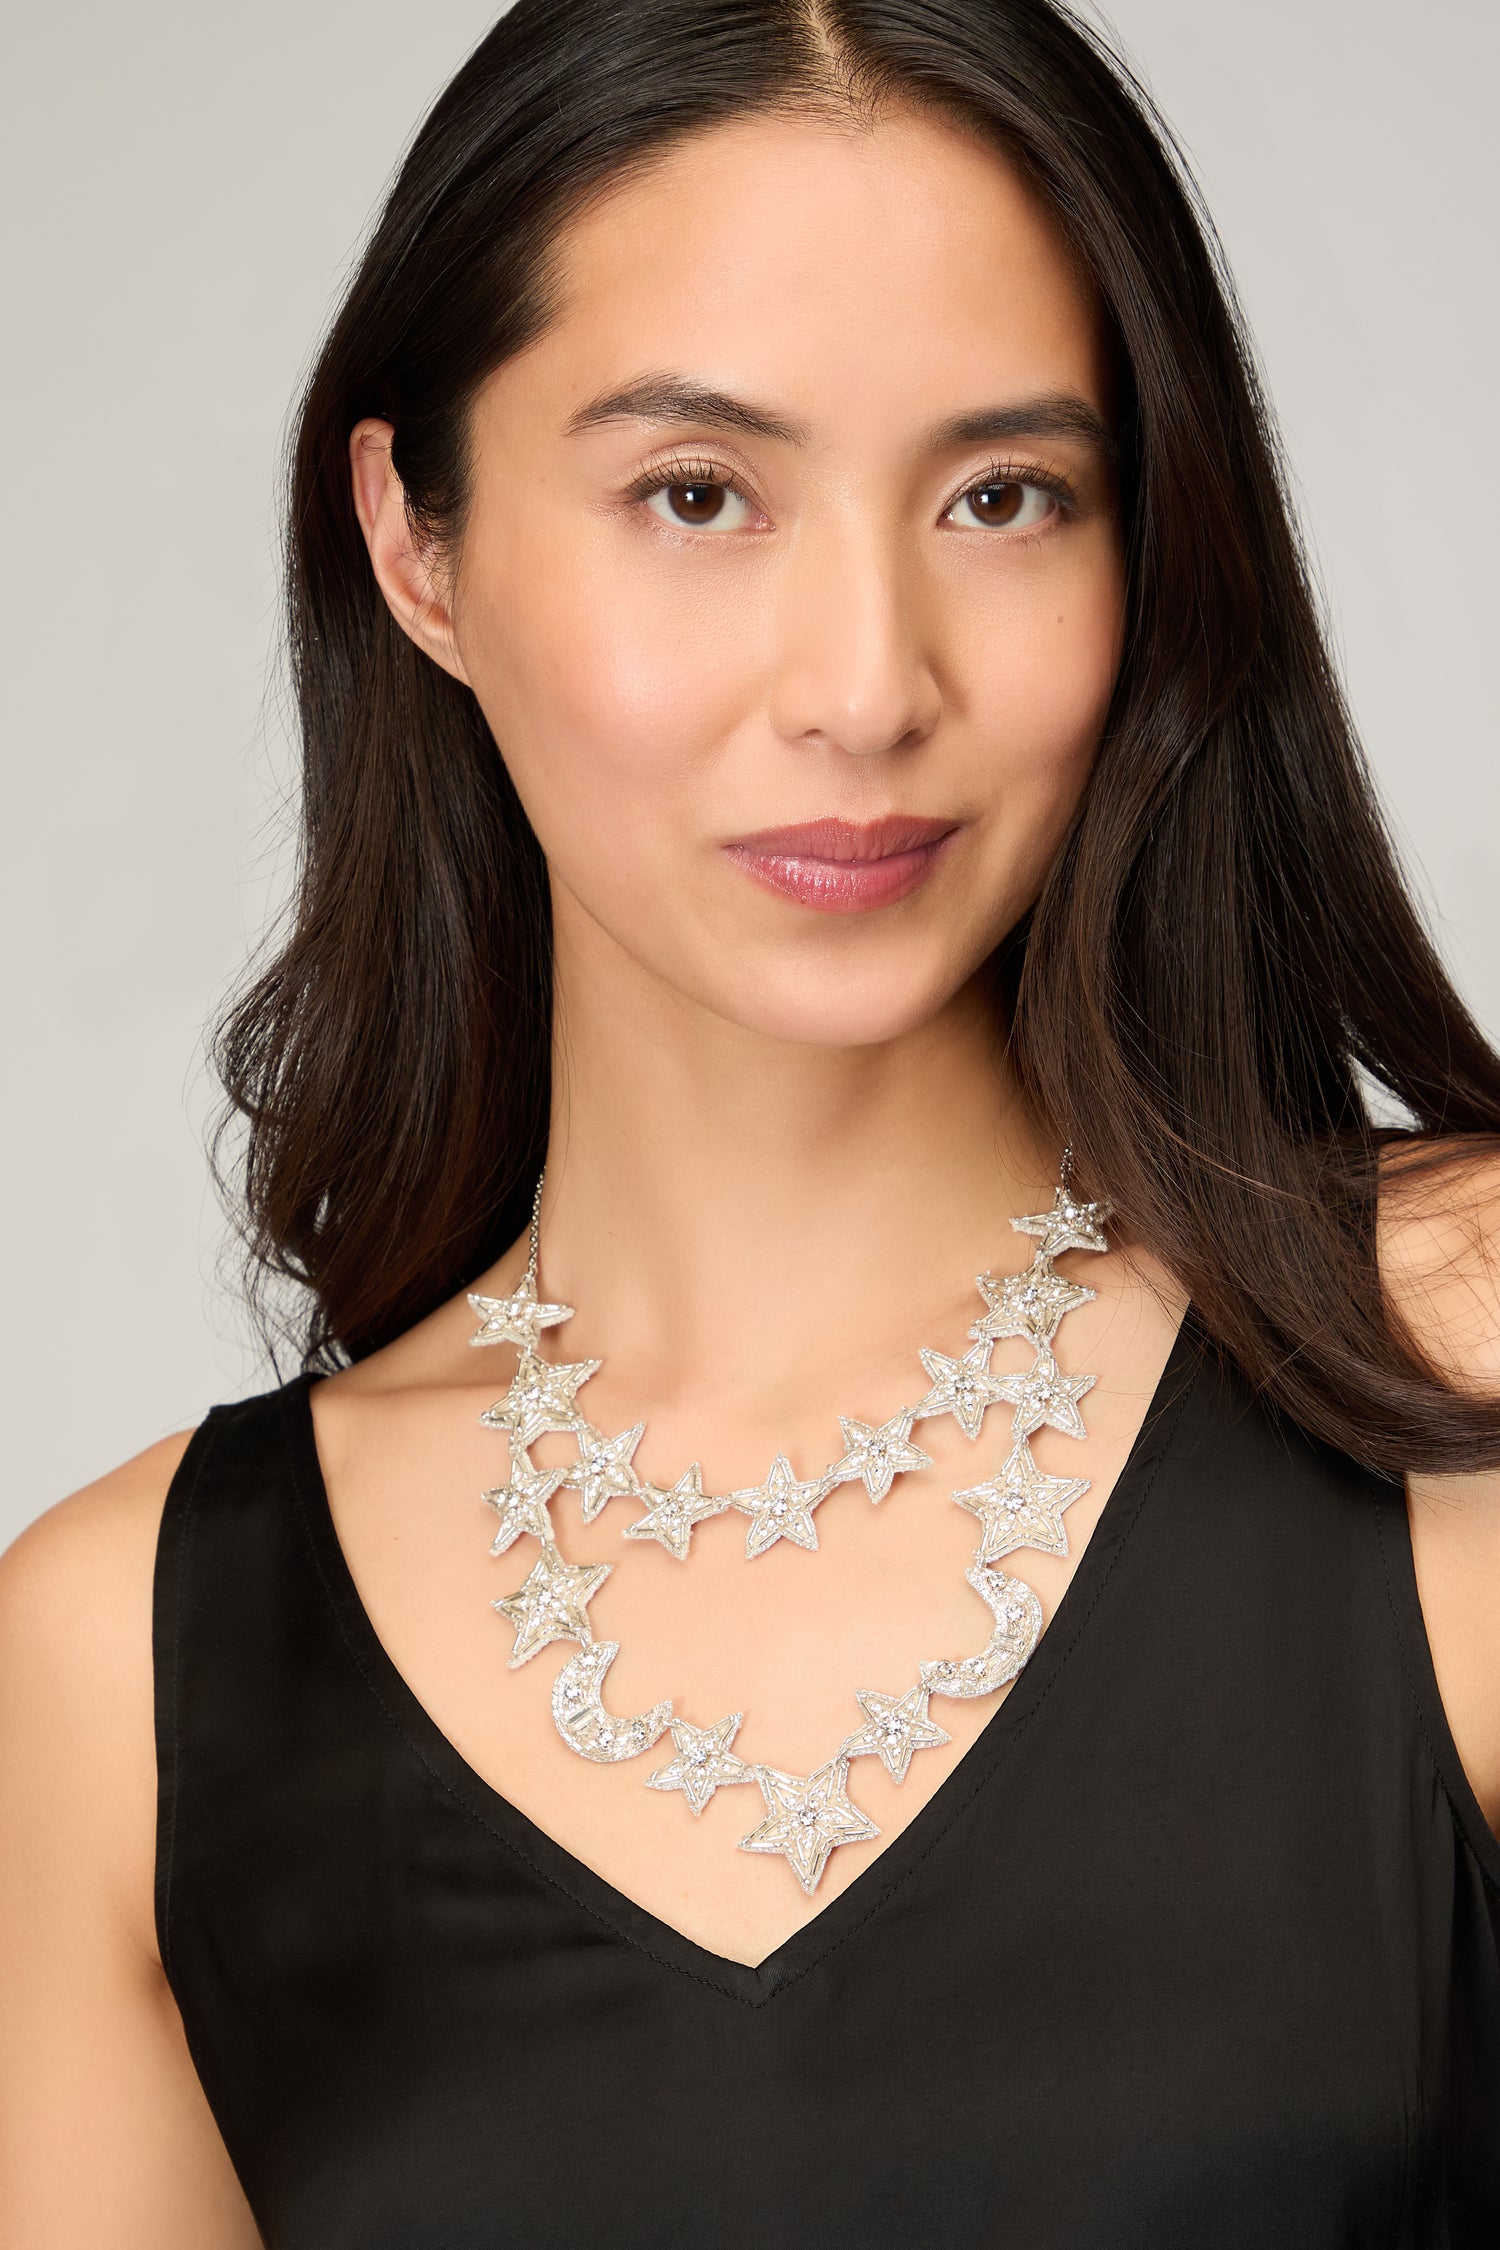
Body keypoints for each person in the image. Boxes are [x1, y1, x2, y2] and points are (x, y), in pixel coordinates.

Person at [2, 0, 1497, 2241]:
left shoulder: (1456, 1367)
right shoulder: (125, 1667)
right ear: (416, 544)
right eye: (697, 494)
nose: (868, 684)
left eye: (1003, 496)